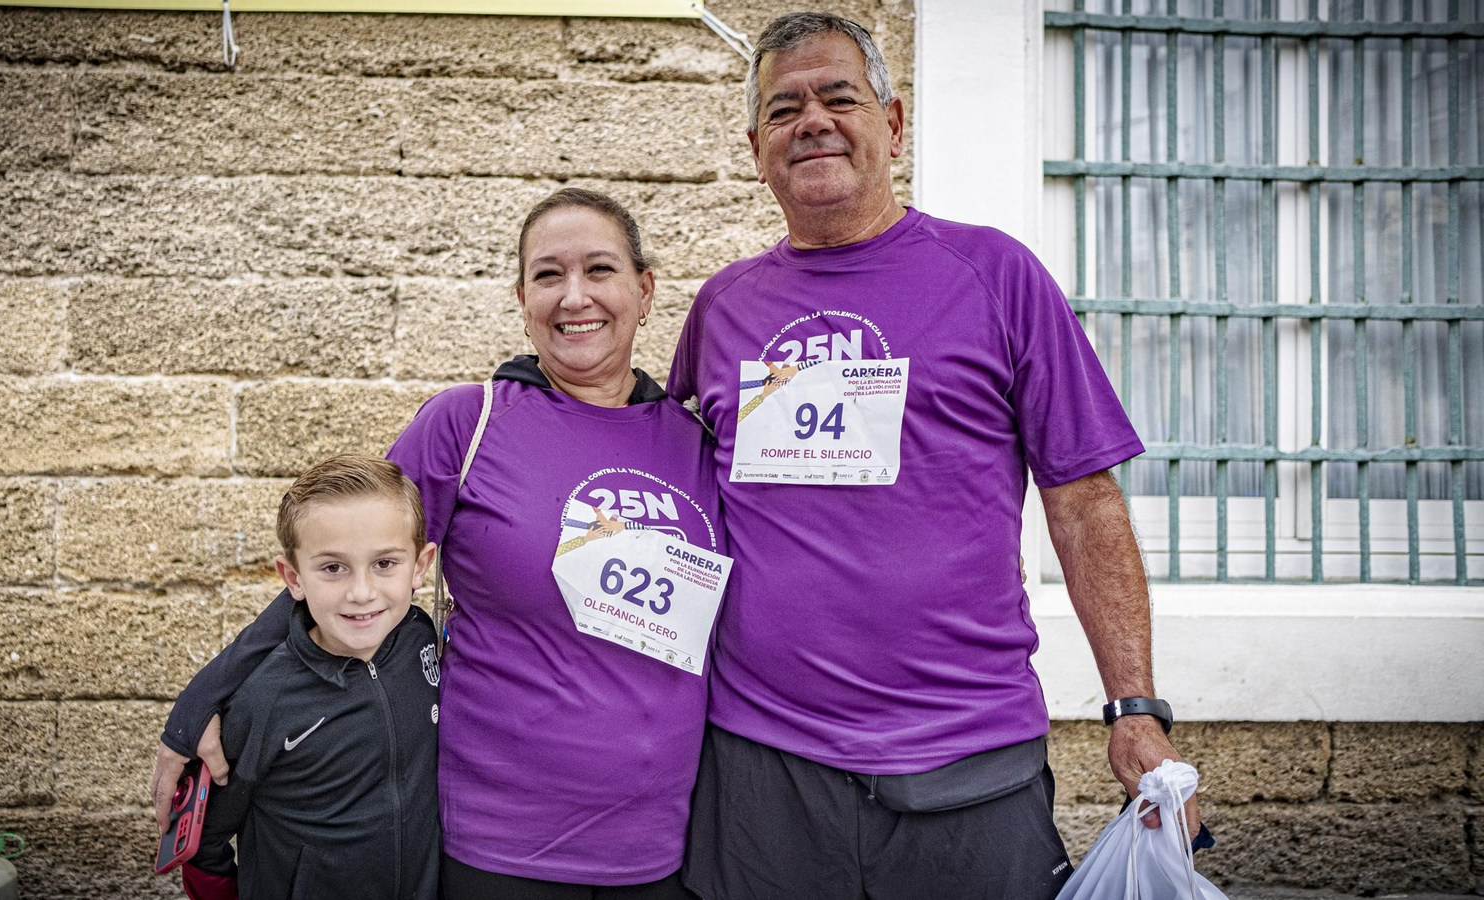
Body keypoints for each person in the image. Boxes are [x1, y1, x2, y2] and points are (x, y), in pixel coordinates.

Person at [664, 12, 1200, 900]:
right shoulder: (724, 306)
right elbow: (665, 477)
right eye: (784, 108)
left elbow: (1084, 499)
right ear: (756, 147)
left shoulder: (995, 275)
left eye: (840, 97)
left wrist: (1134, 709)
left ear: (894, 122)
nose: (814, 122)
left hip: (969, 763)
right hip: (764, 767)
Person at [155, 188, 721, 900]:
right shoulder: (468, 423)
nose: (574, 295)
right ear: (522, 297)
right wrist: (203, 705)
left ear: (644, 289)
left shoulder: (699, 445)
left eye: (600, 270)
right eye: (548, 275)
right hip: (498, 846)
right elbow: (339, 568)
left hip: (661, 846)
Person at [179, 454, 441, 900]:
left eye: (384, 564)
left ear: (420, 565)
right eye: (333, 568)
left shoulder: (424, 640)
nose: (361, 593)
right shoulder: (264, 698)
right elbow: (202, 840)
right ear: (293, 578)